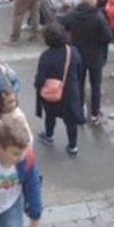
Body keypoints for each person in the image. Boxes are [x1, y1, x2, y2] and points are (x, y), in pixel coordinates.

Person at [62, 0, 112, 124]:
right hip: (95, 56)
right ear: (91, 1)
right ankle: (95, 114)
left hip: (78, 55)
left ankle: (80, 109)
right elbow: (108, 37)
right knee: (96, 86)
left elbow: (63, 26)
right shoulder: (98, 17)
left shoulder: (72, 15)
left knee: (79, 84)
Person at [35, 25, 85, 157]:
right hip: (70, 92)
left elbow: (40, 78)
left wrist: (38, 86)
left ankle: (49, 135)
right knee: (70, 121)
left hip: (52, 93)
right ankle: (73, 146)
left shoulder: (46, 56)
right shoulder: (73, 52)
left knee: (50, 115)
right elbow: (80, 70)